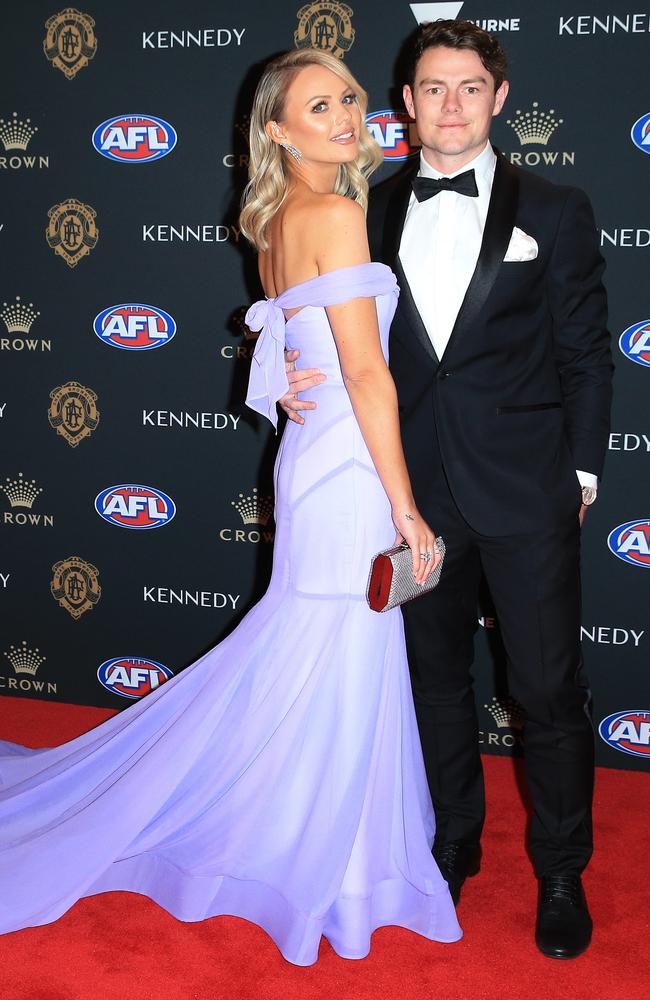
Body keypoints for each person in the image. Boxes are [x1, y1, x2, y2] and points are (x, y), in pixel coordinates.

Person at [0, 49, 462, 966]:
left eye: (349, 100)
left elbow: (294, 349)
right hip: (348, 469)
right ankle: (320, 863)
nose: (345, 116)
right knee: (335, 651)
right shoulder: (333, 210)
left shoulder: (275, 219)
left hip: (311, 458)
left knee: (319, 650)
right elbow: (366, 374)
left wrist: (297, 387)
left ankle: (297, 844)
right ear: (278, 128)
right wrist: (406, 509)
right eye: (318, 105)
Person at [281, 21, 613, 960]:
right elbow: (313, 331)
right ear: (408, 104)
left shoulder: (556, 208)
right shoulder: (366, 211)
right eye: (434, 88)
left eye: (470, 87)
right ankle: (450, 842)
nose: (453, 105)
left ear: (498, 99)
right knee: (432, 687)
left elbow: (588, 354)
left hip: (525, 492)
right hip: (407, 499)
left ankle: (560, 870)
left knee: (546, 691)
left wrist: (581, 473)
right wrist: (287, 380)